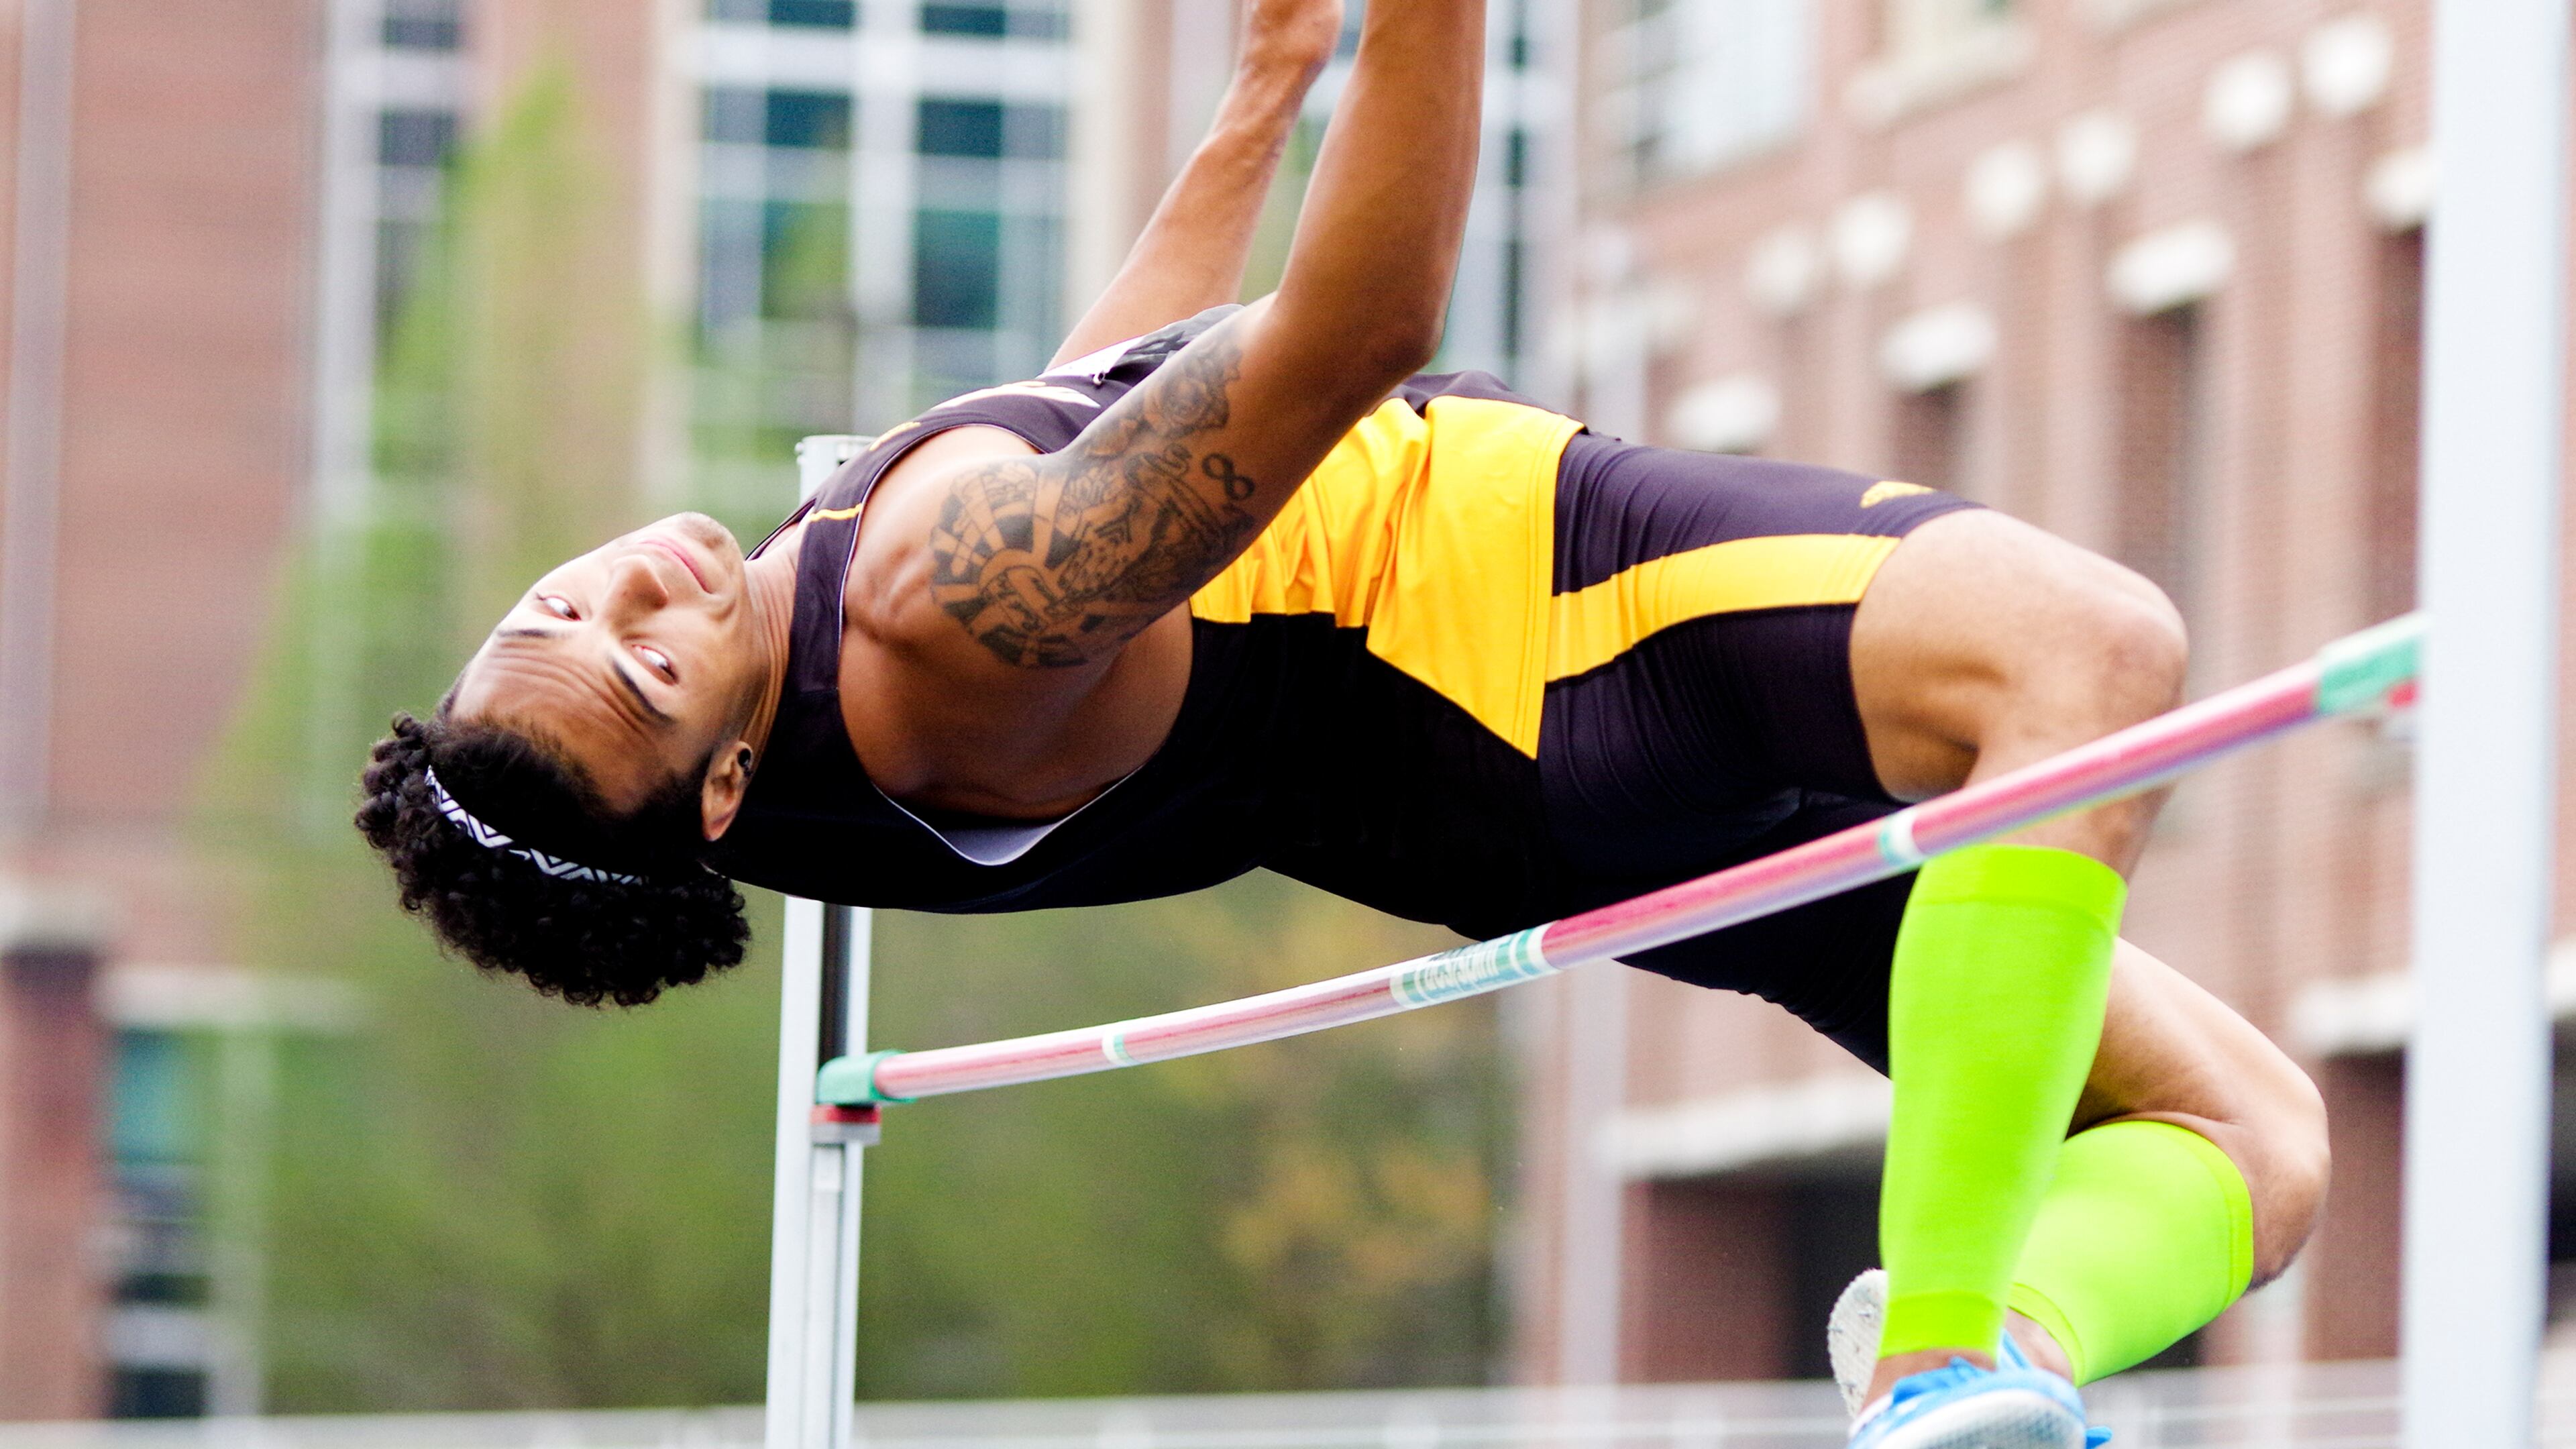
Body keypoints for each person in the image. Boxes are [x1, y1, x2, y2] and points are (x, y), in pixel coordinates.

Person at [356, 0, 2326, 1443]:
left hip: (1525, 806)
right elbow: (1348, 337)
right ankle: (1943, 1355)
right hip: (1539, 620)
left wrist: (1253, 114)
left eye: (566, 595)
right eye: (644, 657)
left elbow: (1095, 421)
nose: (634, 587)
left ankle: (2005, 1356)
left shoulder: (846, 697)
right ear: (713, 781)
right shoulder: (931, 613)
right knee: (2085, 649)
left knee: (2249, 1136)